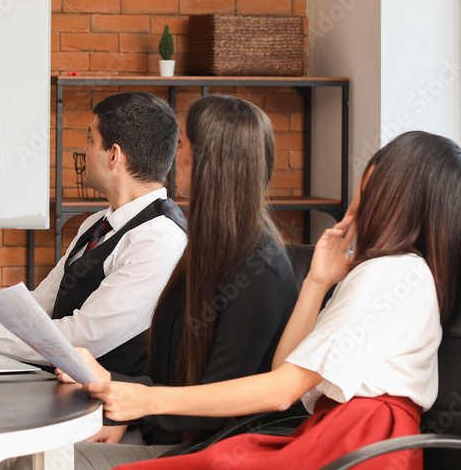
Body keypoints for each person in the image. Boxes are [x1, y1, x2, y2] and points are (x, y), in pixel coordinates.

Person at [60, 130, 461, 470]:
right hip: (343, 436)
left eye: (369, 182)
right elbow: (284, 368)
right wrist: (317, 282)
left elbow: (281, 390)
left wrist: (143, 399)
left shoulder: (390, 274)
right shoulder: (401, 271)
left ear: (392, 193)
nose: (360, 195)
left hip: (354, 444)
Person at [75, 95, 297, 468]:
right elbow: (171, 371)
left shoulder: (261, 271)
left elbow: (215, 405)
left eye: (183, 147)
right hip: (162, 431)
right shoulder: (205, 248)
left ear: (210, 163)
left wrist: (127, 398)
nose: (175, 157)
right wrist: (120, 405)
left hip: (208, 452)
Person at [0, 92, 187, 375]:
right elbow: (42, 304)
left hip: (107, 406)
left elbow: (80, 340)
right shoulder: (97, 223)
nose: (83, 150)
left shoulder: (157, 241)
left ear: (114, 156)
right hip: (58, 383)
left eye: (90, 140)